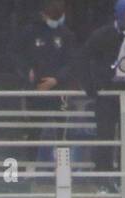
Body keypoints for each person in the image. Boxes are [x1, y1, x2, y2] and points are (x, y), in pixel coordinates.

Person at [83, 0, 125, 193]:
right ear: (122, 15)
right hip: (107, 96)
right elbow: (84, 58)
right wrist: (91, 87)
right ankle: (103, 181)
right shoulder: (102, 35)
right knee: (105, 138)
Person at [14, 0, 79, 165]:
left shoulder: (67, 34)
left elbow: (72, 63)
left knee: (61, 132)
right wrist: (27, 71)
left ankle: (62, 167)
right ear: (43, 14)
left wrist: (56, 80)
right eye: (52, 16)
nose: (55, 20)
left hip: (60, 90)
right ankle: (30, 167)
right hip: (36, 90)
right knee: (33, 130)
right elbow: (17, 55)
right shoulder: (29, 32)